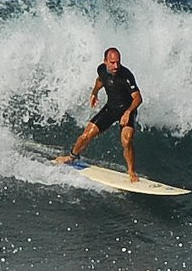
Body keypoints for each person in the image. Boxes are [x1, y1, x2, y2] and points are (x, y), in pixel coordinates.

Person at [57, 46, 143, 181]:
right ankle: (72, 157)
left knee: (126, 139)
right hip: (111, 108)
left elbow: (138, 98)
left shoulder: (126, 76)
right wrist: (94, 92)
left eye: (118, 62)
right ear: (105, 62)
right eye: (112, 62)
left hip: (127, 110)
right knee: (86, 135)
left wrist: (127, 112)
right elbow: (100, 81)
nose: (116, 66)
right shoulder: (101, 70)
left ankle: (131, 171)